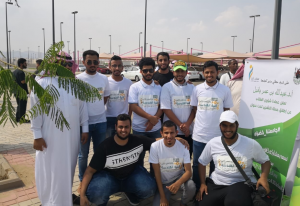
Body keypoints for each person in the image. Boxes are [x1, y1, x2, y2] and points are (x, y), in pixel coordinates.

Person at [31, 73, 89, 206]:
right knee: (51, 169)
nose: (67, 67)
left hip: (72, 137)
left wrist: (85, 128)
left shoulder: (75, 85)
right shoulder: (42, 83)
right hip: (50, 137)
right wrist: (37, 135)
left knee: (68, 168)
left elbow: (82, 108)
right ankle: (50, 201)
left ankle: (64, 199)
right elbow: (35, 110)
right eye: (63, 64)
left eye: (69, 64)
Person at [195, 111, 271, 206]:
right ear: (220, 126)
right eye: (224, 125)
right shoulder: (213, 143)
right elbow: (202, 163)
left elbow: (265, 161)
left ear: (237, 125)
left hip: (241, 183)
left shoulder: (250, 144)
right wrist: (203, 183)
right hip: (216, 183)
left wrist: (263, 177)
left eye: (231, 125)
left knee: (233, 202)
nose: (228, 129)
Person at [190, 60, 233, 190]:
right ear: (203, 73)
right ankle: (197, 189)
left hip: (217, 136)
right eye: (207, 72)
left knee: (216, 164)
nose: (209, 75)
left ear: (217, 72)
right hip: (199, 135)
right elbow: (194, 109)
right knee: (197, 164)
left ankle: (212, 189)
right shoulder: (197, 89)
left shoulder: (225, 90)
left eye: (212, 72)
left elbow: (226, 112)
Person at [76, 50, 110, 192]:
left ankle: (97, 177)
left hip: (101, 122)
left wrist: (97, 109)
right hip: (84, 123)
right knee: (83, 155)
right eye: (89, 62)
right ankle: (82, 180)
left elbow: (105, 97)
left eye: (95, 61)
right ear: (83, 62)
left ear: (98, 63)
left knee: (99, 152)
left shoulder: (103, 79)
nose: (92, 64)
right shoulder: (78, 80)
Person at [149, 120, 196, 206]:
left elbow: (189, 172)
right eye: (166, 133)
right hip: (164, 182)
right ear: (161, 133)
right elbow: (157, 174)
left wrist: (177, 183)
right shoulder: (155, 147)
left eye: (172, 133)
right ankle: (165, 194)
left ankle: (183, 202)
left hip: (178, 178)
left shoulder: (183, 146)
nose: (169, 136)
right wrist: (163, 198)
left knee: (191, 187)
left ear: (176, 133)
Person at [160, 60, 195, 158]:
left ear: (186, 72)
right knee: (172, 159)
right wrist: (180, 125)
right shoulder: (167, 87)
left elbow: (194, 109)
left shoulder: (192, 87)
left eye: (182, 71)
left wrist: (187, 125)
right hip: (172, 132)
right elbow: (166, 109)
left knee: (186, 158)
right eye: (177, 71)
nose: (180, 74)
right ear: (173, 72)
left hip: (188, 131)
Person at [106, 55, 132, 138]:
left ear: (122, 68)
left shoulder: (128, 83)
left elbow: (131, 102)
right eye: (114, 66)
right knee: (109, 143)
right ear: (110, 67)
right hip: (109, 118)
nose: (117, 68)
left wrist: (129, 116)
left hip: (123, 118)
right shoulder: (105, 82)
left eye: (119, 66)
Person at [13, 58, 30, 123]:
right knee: (22, 106)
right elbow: (23, 81)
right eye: (25, 63)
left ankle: (17, 118)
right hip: (22, 92)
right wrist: (29, 78)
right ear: (21, 64)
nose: (26, 64)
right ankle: (21, 119)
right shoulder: (21, 72)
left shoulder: (15, 72)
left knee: (19, 105)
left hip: (16, 91)